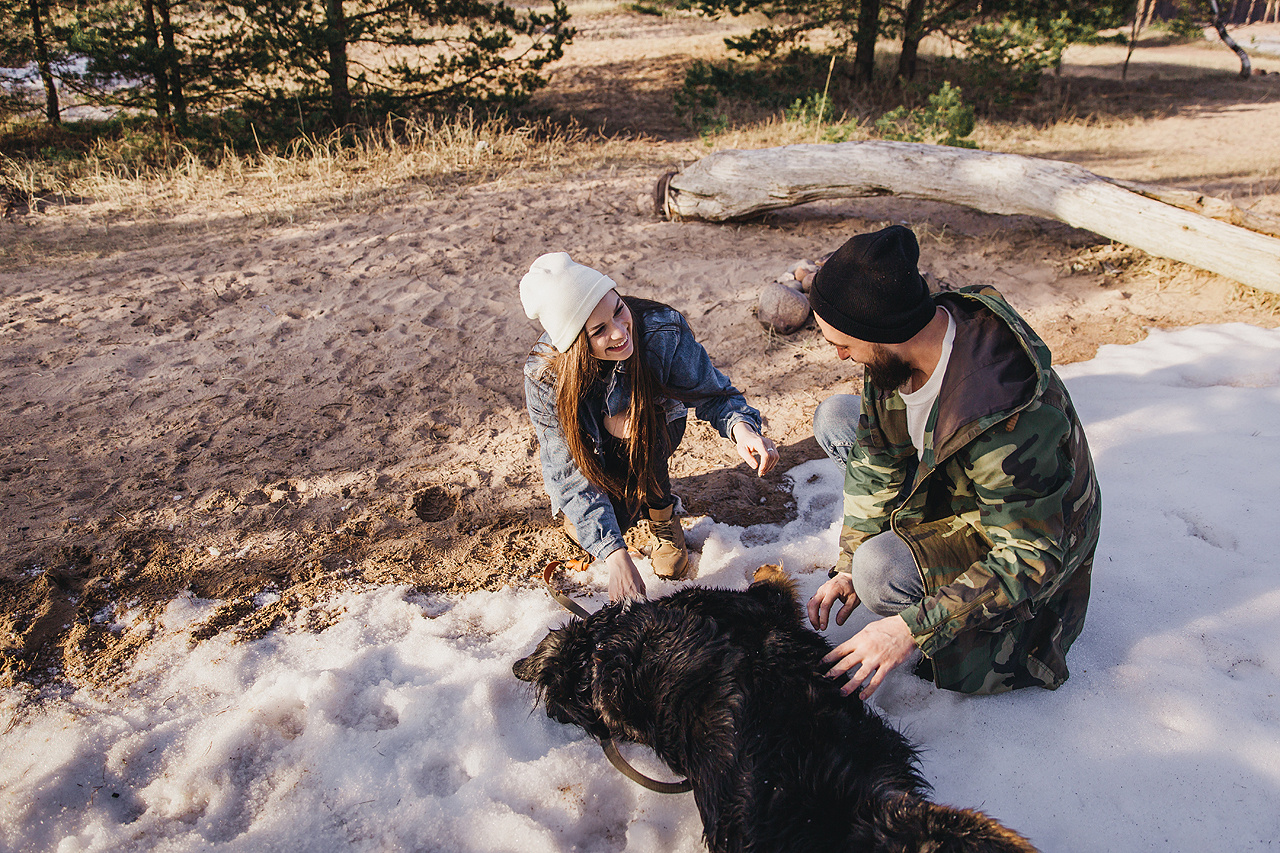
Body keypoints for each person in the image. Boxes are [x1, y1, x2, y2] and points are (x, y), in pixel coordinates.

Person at [804, 225, 1101, 697]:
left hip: (1026, 547)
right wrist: (844, 561)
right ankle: (898, 555)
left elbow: (1032, 556)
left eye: (844, 344)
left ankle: (955, 635)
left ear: (884, 334)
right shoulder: (896, 348)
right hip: (956, 486)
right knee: (837, 417)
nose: (840, 356)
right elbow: (875, 462)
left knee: (879, 570)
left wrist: (907, 630)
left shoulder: (1006, 415)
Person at [521, 252, 778, 601]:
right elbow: (565, 471)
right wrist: (615, 554)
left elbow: (714, 392)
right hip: (594, 452)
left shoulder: (660, 329)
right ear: (575, 344)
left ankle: (662, 514)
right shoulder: (544, 375)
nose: (619, 331)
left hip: (653, 432)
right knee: (597, 528)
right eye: (599, 330)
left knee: (635, 421)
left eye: (617, 309)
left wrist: (743, 430)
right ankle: (616, 506)